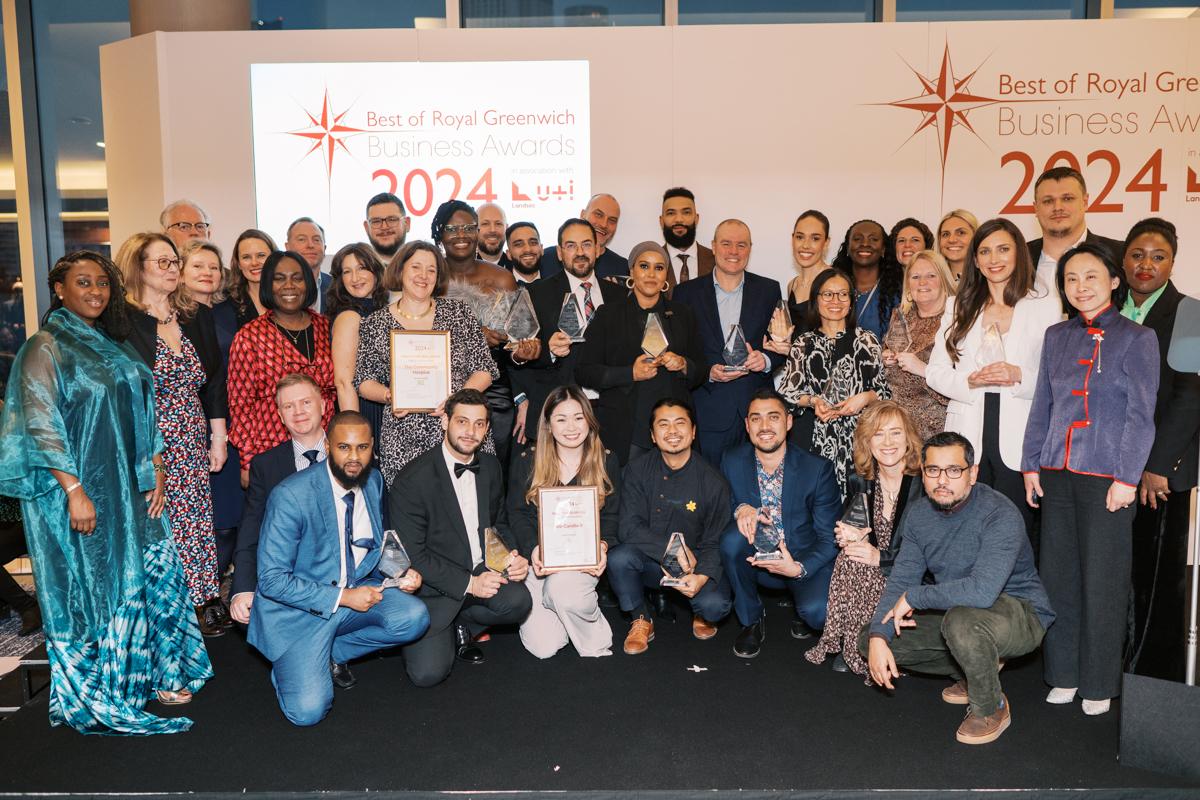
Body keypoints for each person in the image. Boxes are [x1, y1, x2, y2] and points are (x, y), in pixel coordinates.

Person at [0, 251, 212, 734]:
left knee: (149, 568)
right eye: (83, 282)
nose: (95, 291)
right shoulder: (45, 347)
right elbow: (41, 424)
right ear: (59, 289)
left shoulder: (106, 342)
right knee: (93, 584)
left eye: (101, 283)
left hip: (130, 488)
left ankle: (155, 673)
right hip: (79, 494)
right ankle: (107, 686)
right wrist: (74, 491)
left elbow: (144, 402)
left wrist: (156, 464)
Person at [1021, 242, 1159, 716]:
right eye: (1071, 279)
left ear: (1115, 281)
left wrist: (1127, 477)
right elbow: (1043, 405)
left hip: (1107, 479)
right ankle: (1063, 673)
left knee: (1103, 581)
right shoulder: (1056, 336)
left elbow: (1142, 418)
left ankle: (1098, 682)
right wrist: (1030, 464)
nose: (1080, 286)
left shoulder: (1137, 339)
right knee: (1057, 577)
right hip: (1056, 473)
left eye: (1091, 277)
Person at [862, 432, 1054, 745]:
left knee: (962, 622)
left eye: (954, 470)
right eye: (933, 470)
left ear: (972, 473)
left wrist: (915, 597)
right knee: (870, 639)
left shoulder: (999, 513)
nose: (942, 480)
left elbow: (982, 592)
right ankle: (975, 672)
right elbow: (902, 579)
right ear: (923, 473)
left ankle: (991, 706)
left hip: (1020, 612)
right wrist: (877, 637)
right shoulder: (919, 515)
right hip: (960, 611)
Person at [248, 411, 429, 726]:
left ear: (373, 447)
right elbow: (272, 581)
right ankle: (293, 663)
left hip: (355, 592)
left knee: (414, 617)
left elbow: (377, 543)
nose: (354, 457)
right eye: (344, 447)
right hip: (300, 614)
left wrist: (401, 571)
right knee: (307, 713)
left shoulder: (373, 480)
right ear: (328, 446)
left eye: (362, 447)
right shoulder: (291, 496)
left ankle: (330, 653)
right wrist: (344, 597)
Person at [117, 232, 230, 638]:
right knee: (160, 530)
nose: (172, 270)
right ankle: (164, 619)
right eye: (162, 262)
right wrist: (148, 455)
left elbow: (214, 380)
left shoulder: (193, 315)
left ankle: (193, 612)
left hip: (193, 440)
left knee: (195, 526)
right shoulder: (121, 323)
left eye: (174, 262)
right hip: (149, 445)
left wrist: (218, 437)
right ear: (137, 268)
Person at [926, 218, 1061, 543]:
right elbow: (935, 371)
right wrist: (968, 381)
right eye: (984, 251)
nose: (993, 258)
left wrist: (1019, 375)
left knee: (1015, 534)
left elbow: (1055, 375)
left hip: (1020, 436)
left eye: (1003, 249)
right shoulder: (959, 304)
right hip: (968, 429)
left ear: (1019, 253)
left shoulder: (1044, 304)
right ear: (975, 259)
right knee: (965, 534)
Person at [390, 389, 533, 685]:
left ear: (487, 428)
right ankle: (439, 629)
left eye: (479, 424)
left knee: (519, 601)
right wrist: (471, 584)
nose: (470, 432)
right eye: (462, 422)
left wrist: (511, 556)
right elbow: (414, 556)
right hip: (433, 587)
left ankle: (464, 625)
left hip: (479, 568)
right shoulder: (412, 480)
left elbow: (498, 523)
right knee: (427, 675)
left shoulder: (491, 466)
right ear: (445, 422)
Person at [1121, 218, 1200, 681]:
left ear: (1173, 261)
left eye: (1158, 256)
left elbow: (1190, 398)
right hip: (1110, 467)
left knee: (1156, 578)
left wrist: (1156, 467)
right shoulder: (1105, 306)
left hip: (1160, 471)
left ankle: (1153, 675)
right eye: (1137, 254)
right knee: (1121, 574)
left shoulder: (1190, 314)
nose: (1146, 264)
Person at [355, 242, 498, 485]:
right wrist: (391, 395)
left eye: (431, 270)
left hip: (462, 428)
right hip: (403, 435)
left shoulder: (459, 313)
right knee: (413, 515)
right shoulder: (375, 323)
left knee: (469, 509)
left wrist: (458, 398)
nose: (424, 276)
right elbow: (364, 381)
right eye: (416, 267)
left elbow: (485, 369)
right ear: (400, 271)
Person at [719, 390, 840, 658]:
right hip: (755, 560)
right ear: (747, 425)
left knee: (818, 614)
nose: (764, 427)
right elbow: (719, 506)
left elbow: (829, 537)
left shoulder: (817, 469)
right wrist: (740, 509)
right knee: (730, 541)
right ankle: (751, 618)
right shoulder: (731, 459)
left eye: (773, 418)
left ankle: (800, 606)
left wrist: (799, 568)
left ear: (788, 422)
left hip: (801, 559)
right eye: (756, 419)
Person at [805, 401, 922, 675]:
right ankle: (854, 642)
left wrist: (879, 557)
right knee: (851, 555)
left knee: (861, 559)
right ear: (867, 442)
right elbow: (853, 522)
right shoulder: (861, 479)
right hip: (869, 569)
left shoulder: (924, 484)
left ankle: (866, 643)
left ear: (909, 438)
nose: (888, 442)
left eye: (895, 432)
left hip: (910, 572)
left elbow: (924, 554)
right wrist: (847, 534)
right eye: (878, 434)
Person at [609, 398, 733, 654]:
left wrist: (701, 576)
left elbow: (715, 540)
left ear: (694, 431)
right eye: (663, 425)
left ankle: (700, 613)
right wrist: (670, 549)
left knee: (714, 606)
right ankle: (641, 618)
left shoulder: (712, 481)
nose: (673, 431)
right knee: (619, 558)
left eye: (680, 423)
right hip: (652, 564)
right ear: (653, 436)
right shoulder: (636, 471)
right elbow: (628, 527)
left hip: (695, 564)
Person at [508, 385, 620, 658]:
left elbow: (613, 515)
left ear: (589, 420)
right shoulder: (527, 461)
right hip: (540, 562)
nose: (571, 427)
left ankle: (592, 632)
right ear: (548, 424)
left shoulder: (607, 461)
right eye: (561, 418)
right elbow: (516, 513)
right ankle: (561, 605)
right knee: (544, 647)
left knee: (562, 591)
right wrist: (533, 548)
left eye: (579, 417)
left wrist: (603, 546)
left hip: (582, 561)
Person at [576, 241, 706, 464]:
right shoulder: (608, 315)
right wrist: (630, 373)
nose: (651, 274)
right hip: (626, 432)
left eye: (659, 267)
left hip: (673, 430)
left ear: (666, 275)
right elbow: (585, 371)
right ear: (632, 271)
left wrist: (683, 364)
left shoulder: (683, 314)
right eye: (644, 266)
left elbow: (702, 369)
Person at [673, 219, 784, 464]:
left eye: (741, 245)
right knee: (713, 491)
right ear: (713, 246)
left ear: (750, 249)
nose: (733, 251)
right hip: (708, 410)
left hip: (757, 411)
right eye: (726, 244)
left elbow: (782, 346)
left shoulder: (769, 290)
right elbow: (680, 351)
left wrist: (765, 359)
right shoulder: (686, 293)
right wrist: (707, 372)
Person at [773, 268, 888, 495]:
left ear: (851, 300)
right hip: (814, 440)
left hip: (860, 443)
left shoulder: (868, 340)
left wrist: (864, 398)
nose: (835, 301)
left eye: (843, 294)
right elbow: (787, 394)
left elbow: (884, 392)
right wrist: (814, 401)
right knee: (817, 507)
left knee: (857, 512)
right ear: (816, 299)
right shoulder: (803, 343)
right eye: (827, 294)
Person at [228, 250, 336, 485]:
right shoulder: (249, 336)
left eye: (297, 278)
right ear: (268, 285)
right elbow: (240, 405)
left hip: (325, 448)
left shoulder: (326, 327)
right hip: (272, 452)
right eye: (279, 278)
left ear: (308, 284)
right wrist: (247, 462)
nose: (289, 285)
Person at [431, 200, 523, 471]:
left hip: (493, 386)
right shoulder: (428, 276)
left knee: (493, 468)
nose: (461, 235)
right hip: (437, 385)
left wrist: (517, 345)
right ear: (439, 233)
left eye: (469, 227)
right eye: (452, 228)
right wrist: (473, 334)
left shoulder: (502, 278)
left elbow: (519, 339)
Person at [229, 374, 328, 625]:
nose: (298, 412)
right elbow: (251, 530)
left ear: (323, 405)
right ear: (281, 416)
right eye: (288, 406)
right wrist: (242, 589)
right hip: (290, 579)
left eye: (306, 402)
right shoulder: (265, 465)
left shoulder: (350, 452)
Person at [179, 239, 243, 616]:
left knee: (226, 519)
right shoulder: (171, 316)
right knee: (199, 521)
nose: (207, 273)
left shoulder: (225, 313)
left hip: (226, 425)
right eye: (197, 266)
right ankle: (197, 603)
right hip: (189, 425)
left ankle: (210, 594)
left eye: (213, 267)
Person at [523, 219, 626, 441]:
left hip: (610, 412)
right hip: (557, 412)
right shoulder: (536, 294)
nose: (580, 252)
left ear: (598, 250)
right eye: (571, 246)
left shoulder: (619, 296)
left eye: (587, 244)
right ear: (559, 253)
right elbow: (517, 355)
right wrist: (548, 350)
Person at [880, 249, 955, 441]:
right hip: (898, 432)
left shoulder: (957, 321)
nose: (922, 283)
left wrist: (921, 370)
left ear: (944, 280)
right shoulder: (900, 317)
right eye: (915, 277)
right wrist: (886, 360)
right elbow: (888, 378)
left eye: (931, 275)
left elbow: (962, 387)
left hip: (938, 432)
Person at [326, 243, 388, 442]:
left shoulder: (383, 311)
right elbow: (344, 383)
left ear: (376, 271)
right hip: (366, 411)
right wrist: (356, 435)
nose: (355, 278)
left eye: (361, 268)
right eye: (347, 271)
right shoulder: (350, 317)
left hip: (386, 407)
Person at [1027, 166, 1123, 291]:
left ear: (1085, 202)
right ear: (1036, 208)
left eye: (1067, 199)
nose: (1058, 207)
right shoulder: (1016, 258)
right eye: (1048, 201)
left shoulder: (1121, 256)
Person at [831, 219, 900, 341]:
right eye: (857, 239)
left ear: (883, 248)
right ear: (847, 247)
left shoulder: (896, 293)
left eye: (873, 239)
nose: (865, 244)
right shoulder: (831, 286)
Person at [539, 193, 628, 280]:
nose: (604, 224)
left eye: (612, 220)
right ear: (582, 214)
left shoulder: (622, 267)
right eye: (598, 215)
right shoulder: (545, 260)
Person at [219, 228, 277, 328]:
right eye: (246, 257)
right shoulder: (227, 303)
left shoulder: (288, 298)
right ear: (239, 264)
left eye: (261, 255)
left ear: (274, 258)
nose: (254, 263)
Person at [784, 210, 832, 331]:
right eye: (800, 237)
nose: (805, 245)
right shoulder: (792, 285)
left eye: (815, 239)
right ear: (792, 239)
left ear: (826, 243)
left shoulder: (835, 282)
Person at [659, 186, 714, 290]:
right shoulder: (650, 263)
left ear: (696, 219)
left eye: (686, 212)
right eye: (671, 213)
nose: (679, 219)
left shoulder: (716, 261)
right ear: (661, 221)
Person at [285, 217, 330, 313]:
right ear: (287, 247)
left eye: (316, 240)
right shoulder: (276, 287)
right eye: (302, 239)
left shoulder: (336, 287)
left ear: (324, 248)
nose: (310, 245)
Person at [363, 192, 409, 264]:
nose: (384, 227)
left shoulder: (426, 268)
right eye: (376, 221)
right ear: (366, 228)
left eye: (392, 220)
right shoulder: (356, 272)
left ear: (407, 223)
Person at [937, 209, 978, 285]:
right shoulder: (929, 281)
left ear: (976, 236)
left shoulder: (989, 280)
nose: (952, 240)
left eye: (961, 233)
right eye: (945, 234)